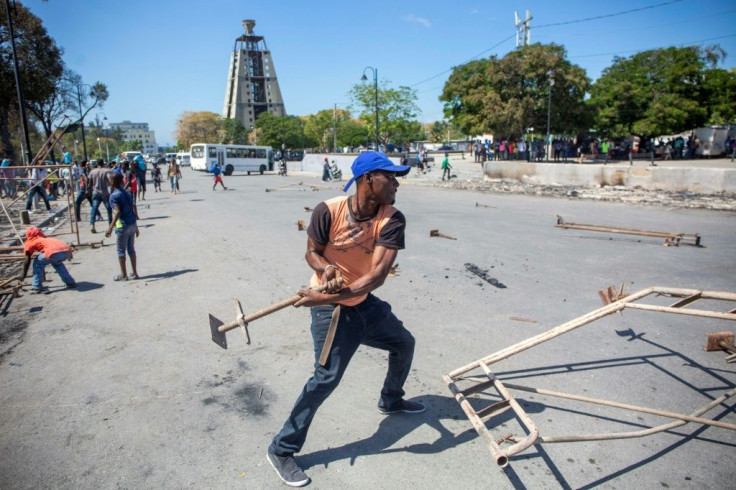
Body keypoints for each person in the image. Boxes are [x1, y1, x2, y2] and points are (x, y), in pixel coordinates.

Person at [267, 151, 423, 487]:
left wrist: (327, 294)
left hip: (358, 301)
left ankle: (390, 398)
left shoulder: (392, 218)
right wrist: (327, 270)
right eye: (390, 176)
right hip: (332, 310)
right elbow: (312, 251)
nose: (397, 183)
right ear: (369, 179)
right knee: (325, 378)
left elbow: (378, 275)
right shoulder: (329, 210)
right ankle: (281, 449)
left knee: (403, 343)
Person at [19, 226, 76, 293]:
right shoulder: (46, 239)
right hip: (66, 252)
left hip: (54, 253)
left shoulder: (30, 241)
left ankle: (37, 287)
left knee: (37, 263)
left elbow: (27, 260)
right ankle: (70, 282)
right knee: (58, 264)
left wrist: (24, 274)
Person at [105, 172, 139, 281]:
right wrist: (136, 226)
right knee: (131, 249)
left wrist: (110, 227)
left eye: (110, 180)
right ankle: (134, 273)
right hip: (132, 224)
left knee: (121, 250)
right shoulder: (127, 193)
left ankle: (123, 275)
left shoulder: (114, 196)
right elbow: (133, 208)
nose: (109, 181)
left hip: (123, 226)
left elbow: (117, 212)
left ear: (113, 182)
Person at [88, 159, 112, 233]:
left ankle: (92, 224)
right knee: (108, 209)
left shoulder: (92, 171)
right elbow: (109, 179)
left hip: (95, 192)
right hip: (104, 192)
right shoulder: (106, 171)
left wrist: (88, 189)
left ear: (97, 164)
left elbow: (90, 182)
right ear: (103, 163)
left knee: (94, 209)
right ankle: (110, 224)